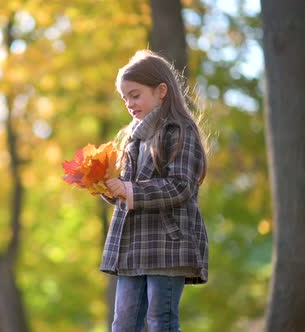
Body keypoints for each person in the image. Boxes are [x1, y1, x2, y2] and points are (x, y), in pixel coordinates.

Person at [101, 49, 209, 332]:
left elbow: (180, 186)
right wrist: (106, 186)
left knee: (161, 320)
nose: (129, 103)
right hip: (133, 246)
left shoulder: (180, 131)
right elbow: (128, 191)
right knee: (123, 323)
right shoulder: (132, 140)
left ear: (161, 90)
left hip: (167, 243)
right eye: (125, 98)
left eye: (135, 95)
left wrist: (128, 189)